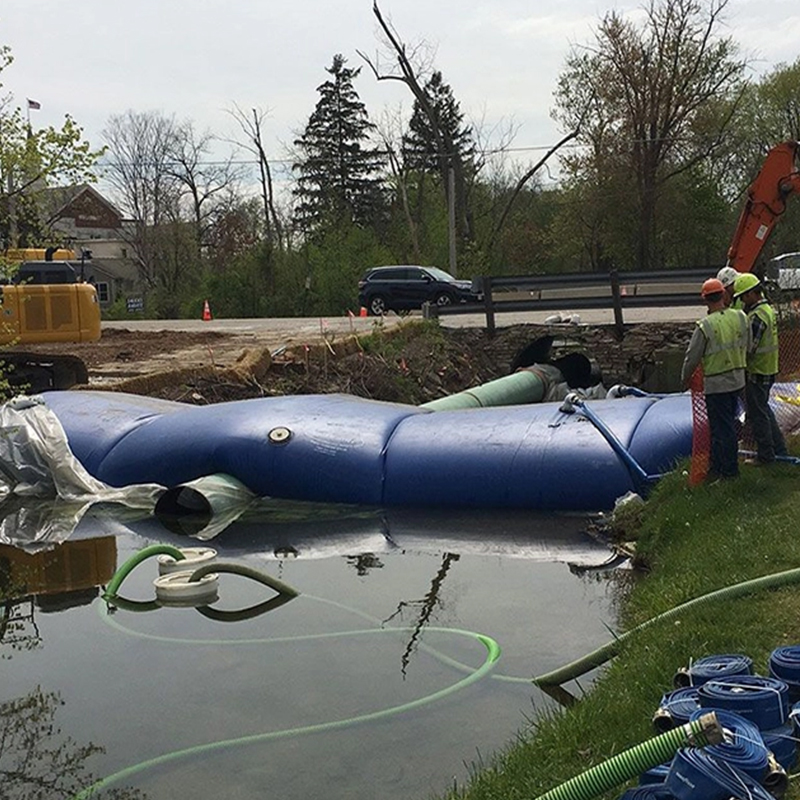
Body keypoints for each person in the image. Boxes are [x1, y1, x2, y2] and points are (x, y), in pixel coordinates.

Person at [681, 278, 749, 479]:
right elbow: (748, 343)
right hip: (738, 380)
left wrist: (684, 379)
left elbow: (692, 357)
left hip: (717, 384)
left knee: (722, 429)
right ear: (723, 295)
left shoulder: (705, 325)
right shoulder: (740, 317)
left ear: (705, 300)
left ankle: (727, 471)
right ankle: (721, 467)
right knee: (728, 424)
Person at [732, 273, 788, 465]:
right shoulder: (766, 309)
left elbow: (750, 347)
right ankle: (779, 451)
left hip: (758, 371)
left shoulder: (757, 316)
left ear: (750, 294)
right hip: (769, 368)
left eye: (742, 297)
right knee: (764, 410)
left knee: (758, 415)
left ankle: (766, 456)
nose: (741, 301)